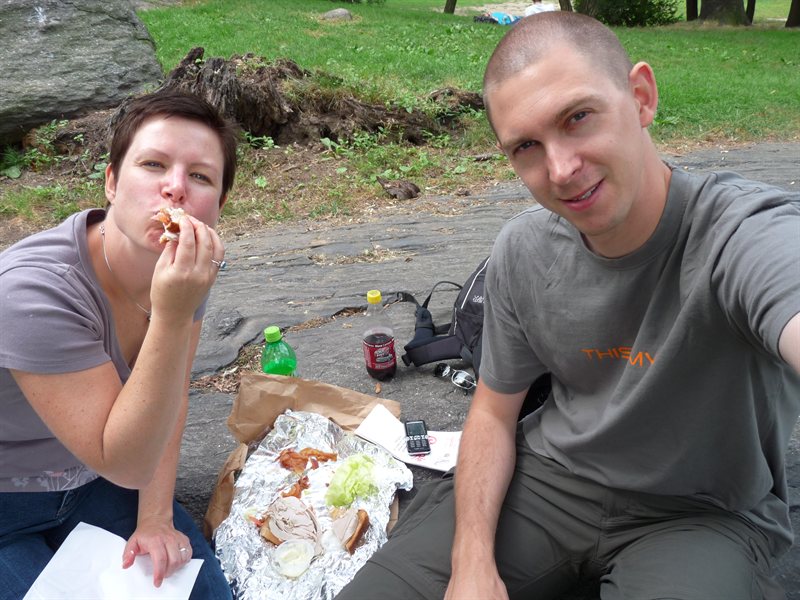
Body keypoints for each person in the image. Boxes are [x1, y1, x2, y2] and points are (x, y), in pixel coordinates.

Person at [336, 12, 800, 600]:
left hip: (702, 512)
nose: (560, 170)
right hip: (551, 482)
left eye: (577, 118)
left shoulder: (741, 233)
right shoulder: (525, 249)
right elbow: (493, 413)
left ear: (640, 97)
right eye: (527, 146)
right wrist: (472, 561)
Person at [0, 88, 238, 599]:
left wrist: (154, 516)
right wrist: (172, 316)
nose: (175, 188)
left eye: (200, 176)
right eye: (154, 164)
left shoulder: (182, 269)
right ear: (111, 181)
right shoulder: (33, 291)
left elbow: (168, 395)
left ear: (217, 205)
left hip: (96, 484)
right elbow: (126, 460)